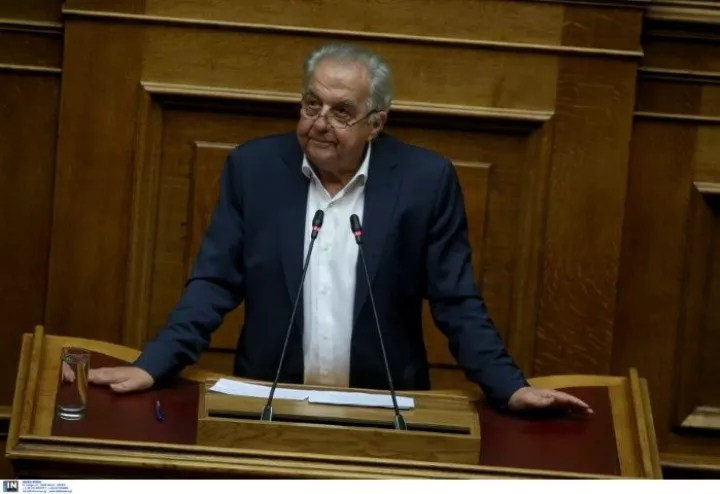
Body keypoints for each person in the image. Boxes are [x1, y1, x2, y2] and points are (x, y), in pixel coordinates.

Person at [90, 43, 592, 415]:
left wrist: (510, 388)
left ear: (377, 123)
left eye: (342, 112)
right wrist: (154, 364)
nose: (320, 123)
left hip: (385, 407)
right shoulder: (253, 170)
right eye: (312, 105)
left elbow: (455, 301)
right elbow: (214, 284)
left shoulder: (425, 181)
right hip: (269, 401)